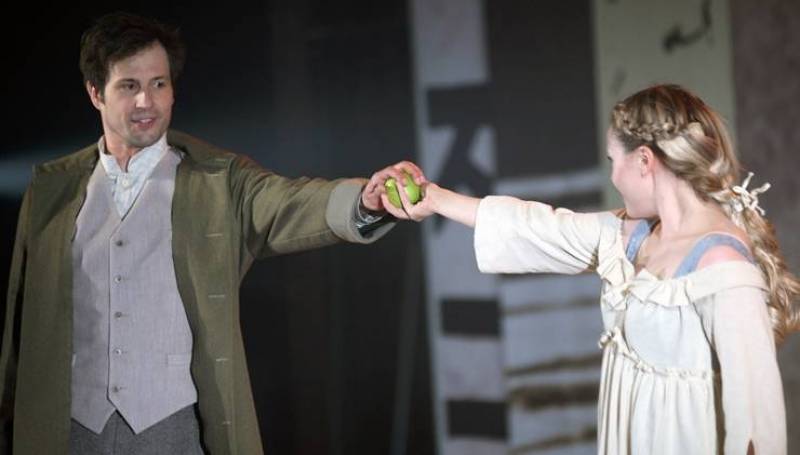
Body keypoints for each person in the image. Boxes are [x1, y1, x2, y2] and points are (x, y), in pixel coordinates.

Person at [0, 12, 424, 455]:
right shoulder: (51, 188)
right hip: (72, 431)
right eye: (129, 86)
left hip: (173, 428)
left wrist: (364, 201)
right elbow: (21, 323)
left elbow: (291, 202)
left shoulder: (217, 179)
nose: (147, 101)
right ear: (95, 93)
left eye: (159, 84)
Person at [394, 84, 799, 454]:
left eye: (613, 161)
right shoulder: (632, 236)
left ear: (644, 161)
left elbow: (757, 427)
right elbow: (540, 228)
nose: (613, 176)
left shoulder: (721, 265)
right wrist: (434, 199)